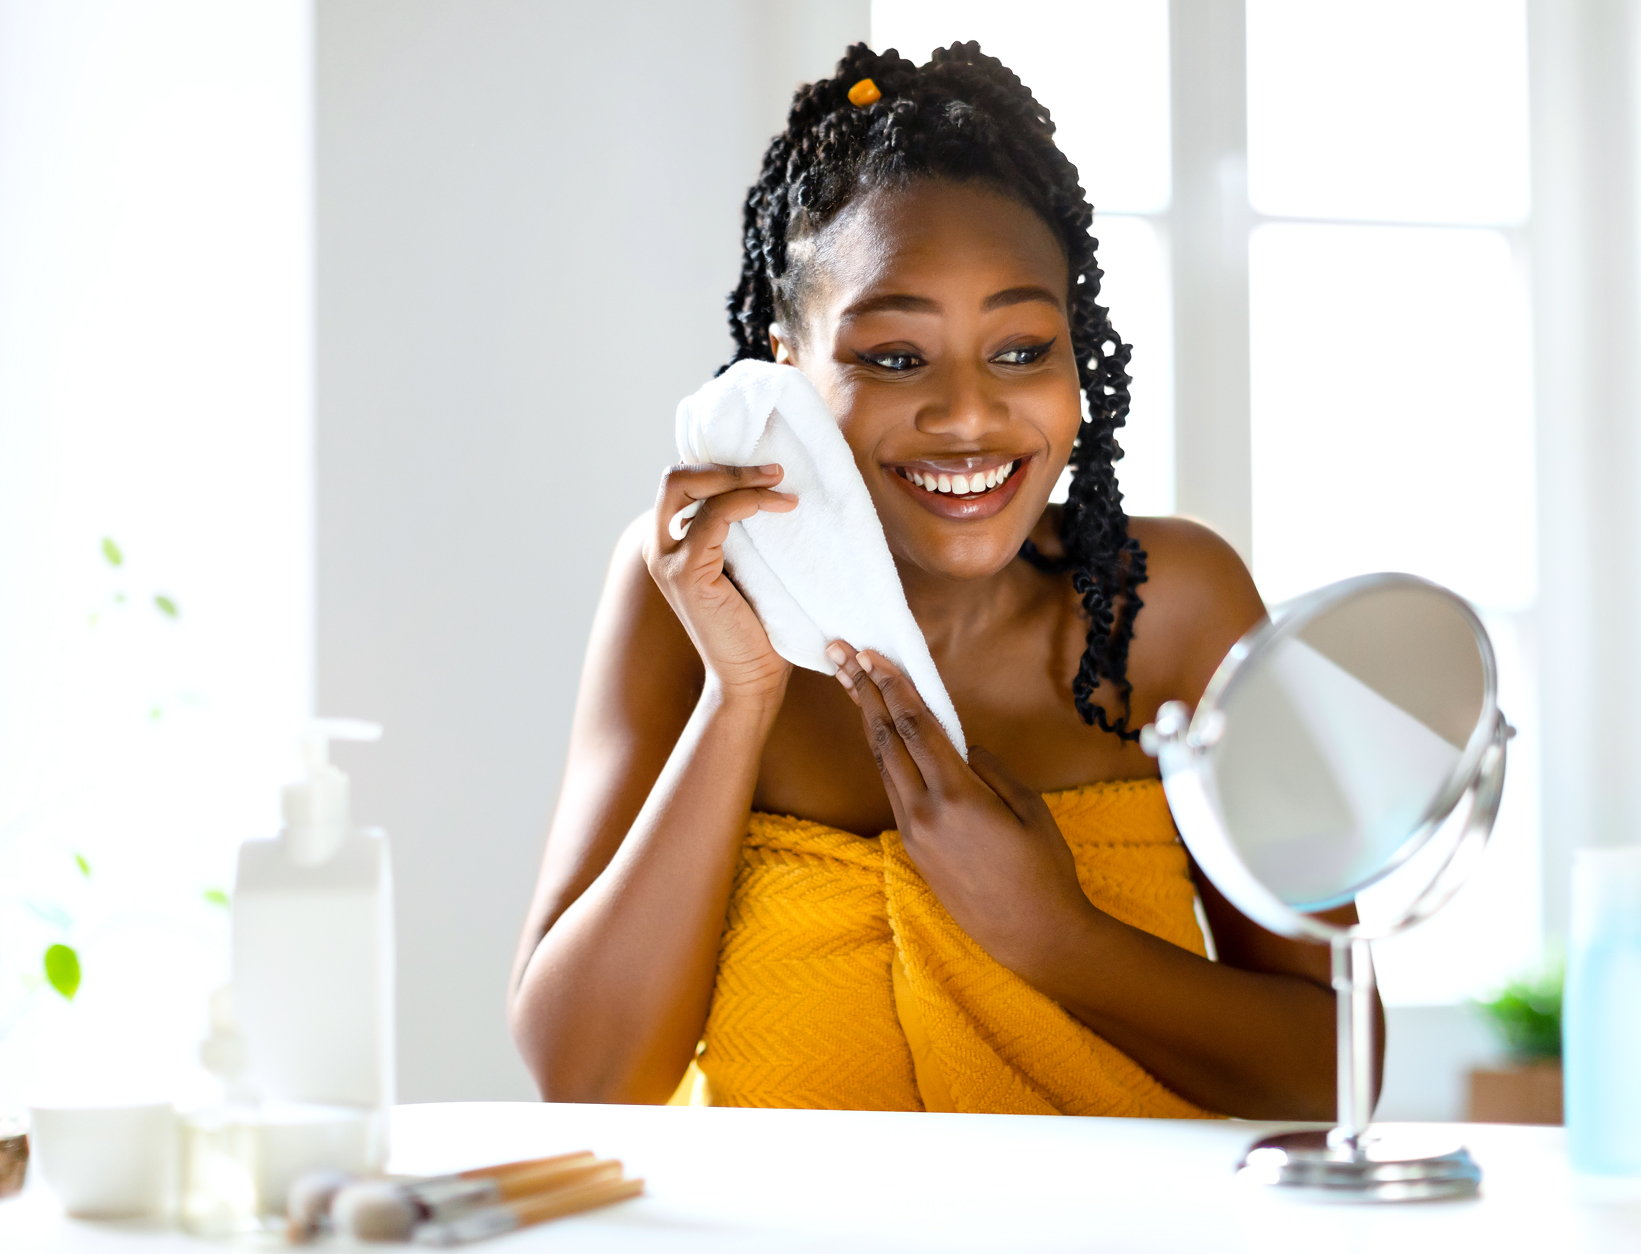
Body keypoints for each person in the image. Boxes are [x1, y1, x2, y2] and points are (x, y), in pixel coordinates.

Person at [509, 42, 1371, 1117]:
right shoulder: (684, 584)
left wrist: (1051, 935)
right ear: (783, 373)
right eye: (894, 356)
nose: (968, 414)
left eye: (1020, 350)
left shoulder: (1171, 608)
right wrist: (737, 702)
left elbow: (1339, 1061)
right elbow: (583, 1077)